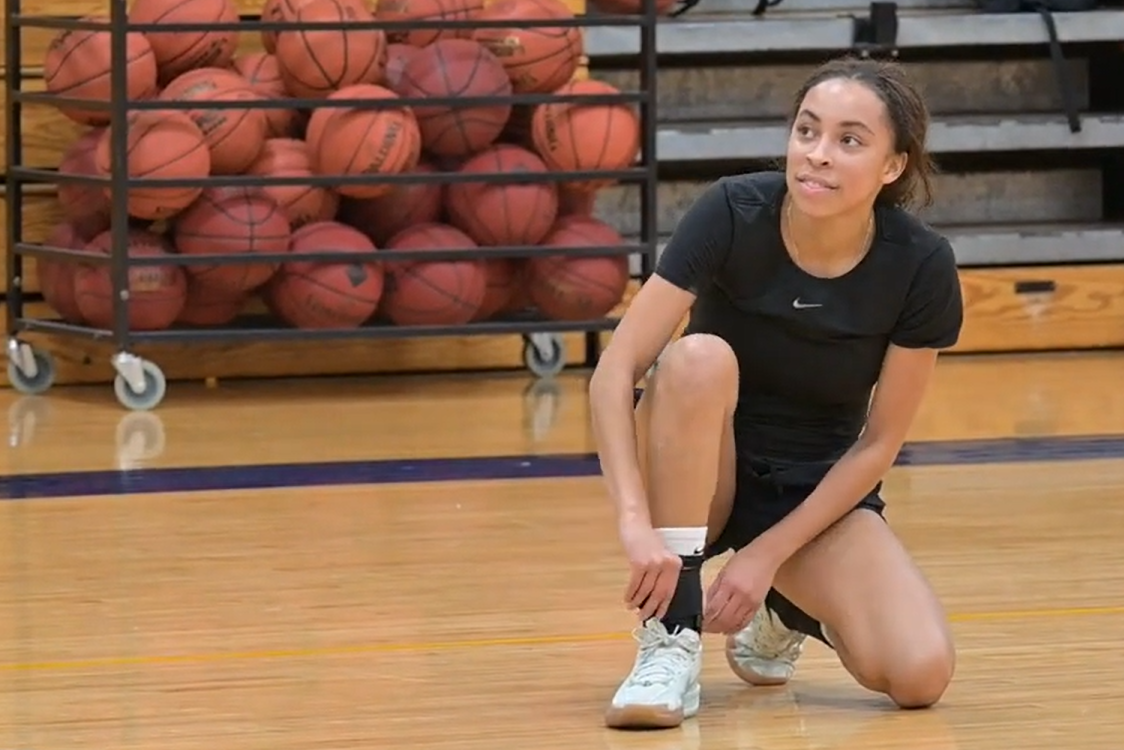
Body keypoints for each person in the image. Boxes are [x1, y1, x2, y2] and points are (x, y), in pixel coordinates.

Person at [587, 55, 965, 730]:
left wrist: (767, 557)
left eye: (849, 140)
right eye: (807, 131)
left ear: (892, 166)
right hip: (704, 466)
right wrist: (632, 520)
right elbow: (616, 371)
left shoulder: (921, 265)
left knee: (919, 673)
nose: (817, 155)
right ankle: (669, 639)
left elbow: (879, 445)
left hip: (810, 485)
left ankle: (784, 608)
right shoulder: (733, 211)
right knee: (697, 359)